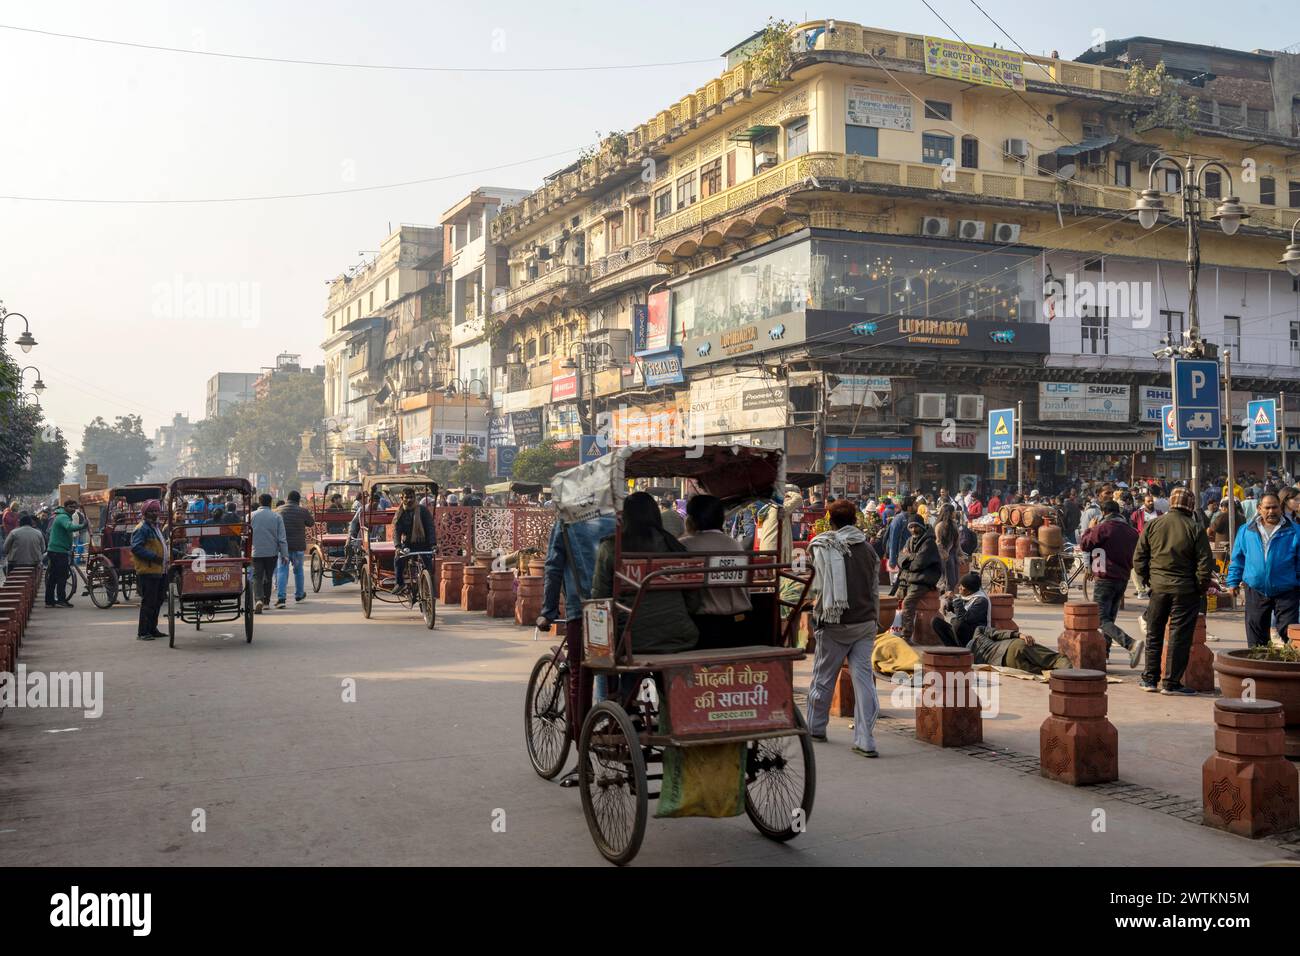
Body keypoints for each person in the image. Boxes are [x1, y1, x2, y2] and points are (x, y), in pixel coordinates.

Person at [537, 506, 616, 787]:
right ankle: (615, 722)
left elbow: (554, 565)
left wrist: (547, 611)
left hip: (583, 610)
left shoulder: (566, 522)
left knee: (580, 679)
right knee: (612, 669)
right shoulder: (616, 517)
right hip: (620, 608)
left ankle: (583, 762)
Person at [805, 499, 880, 758]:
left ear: (831, 521)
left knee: (823, 678)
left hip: (834, 624)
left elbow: (815, 588)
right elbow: (874, 590)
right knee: (864, 682)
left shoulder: (823, 547)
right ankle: (866, 740)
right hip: (865, 624)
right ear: (855, 520)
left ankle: (815, 728)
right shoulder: (869, 550)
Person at [591, 492, 699, 655]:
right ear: (656, 515)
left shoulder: (611, 547)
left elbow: (600, 598)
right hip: (679, 635)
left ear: (624, 516)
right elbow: (693, 599)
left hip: (630, 639)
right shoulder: (673, 545)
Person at [1133, 487, 1214, 695]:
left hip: (1158, 589)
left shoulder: (1153, 525)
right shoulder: (1195, 528)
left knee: (1154, 633)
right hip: (1185, 591)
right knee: (1179, 637)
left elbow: (1139, 558)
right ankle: (1171, 683)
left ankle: (1149, 679)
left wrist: (1148, 581)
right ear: (1190, 506)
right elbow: (1205, 563)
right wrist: (1199, 587)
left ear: (1171, 503)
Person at [1224, 491, 1300, 648]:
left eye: (1275, 507)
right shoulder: (1246, 531)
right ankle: (1259, 668)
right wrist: (1232, 582)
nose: (1271, 511)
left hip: (1286, 590)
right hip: (1255, 589)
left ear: (1281, 508)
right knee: (1256, 638)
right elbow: (1238, 559)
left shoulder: (1294, 531)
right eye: (1267, 508)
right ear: (1259, 508)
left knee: (1290, 633)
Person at [680, 494, 752, 649]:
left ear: (691, 519)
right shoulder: (735, 545)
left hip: (704, 625)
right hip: (740, 623)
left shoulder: (686, 545)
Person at [1078, 500, 1143, 667]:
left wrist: (1090, 528)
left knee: (1100, 619)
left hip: (1105, 578)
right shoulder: (1132, 532)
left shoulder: (1103, 528)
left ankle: (1130, 644)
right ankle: (1105, 654)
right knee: (1109, 620)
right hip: (1122, 579)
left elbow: (1085, 544)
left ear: (1105, 513)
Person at [896, 515, 942, 643]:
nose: (913, 530)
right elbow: (900, 559)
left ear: (921, 526)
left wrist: (908, 558)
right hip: (910, 577)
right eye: (910, 527)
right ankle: (897, 631)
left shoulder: (929, 543)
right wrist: (912, 557)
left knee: (908, 602)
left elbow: (918, 564)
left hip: (923, 579)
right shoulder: (910, 540)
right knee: (896, 598)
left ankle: (906, 635)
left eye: (915, 526)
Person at [130, 500, 168, 641]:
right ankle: (143, 632)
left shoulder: (156, 527)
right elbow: (136, 548)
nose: (155, 513)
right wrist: (154, 557)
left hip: (160, 570)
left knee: (157, 601)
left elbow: (162, 545)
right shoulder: (142, 528)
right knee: (148, 603)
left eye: (156, 511)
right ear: (145, 513)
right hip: (148, 570)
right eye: (152, 511)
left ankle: (153, 628)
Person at [275, 490, 315, 607]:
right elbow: (311, 523)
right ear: (298, 500)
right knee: (298, 571)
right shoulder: (302, 511)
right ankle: (299, 594)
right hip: (298, 547)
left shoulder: (278, 511)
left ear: (287, 498)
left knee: (282, 571)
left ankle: (281, 598)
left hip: (283, 549)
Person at [249, 493, 288, 613]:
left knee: (257, 576)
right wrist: (284, 554)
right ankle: (266, 602)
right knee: (268, 576)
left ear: (260, 502)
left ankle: (258, 599)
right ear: (270, 503)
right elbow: (282, 538)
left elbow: (245, 535)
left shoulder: (250, 516)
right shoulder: (276, 517)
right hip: (271, 552)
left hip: (255, 551)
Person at [393, 487, 435, 594]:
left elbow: (430, 527)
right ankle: (400, 583)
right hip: (408, 544)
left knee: (429, 566)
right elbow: (396, 531)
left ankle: (429, 588)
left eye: (411, 497)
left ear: (415, 497)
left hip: (424, 543)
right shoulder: (400, 513)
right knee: (398, 559)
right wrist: (397, 546)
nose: (409, 500)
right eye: (406, 497)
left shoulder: (422, 510)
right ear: (402, 498)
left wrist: (433, 544)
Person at [44, 499, 85, 608]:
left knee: (53, 576)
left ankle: (49, 601)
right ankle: (61, 600)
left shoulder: (63, 516)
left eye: (74, 507)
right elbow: (69, 527)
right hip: (58, 551)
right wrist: (82, 526)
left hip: (57, 550)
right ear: (65, 507)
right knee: (61, 576)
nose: (73, 509)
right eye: (71, 507)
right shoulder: (63, 517)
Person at [932, 572, 989, 646]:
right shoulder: (968, 596)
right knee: (936, 622)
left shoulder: (981, 601)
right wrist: (947, 604)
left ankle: (961, 649)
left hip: (972, 634)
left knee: (958, 623)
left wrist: (955, 599)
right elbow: (960, 609)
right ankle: (952, 647)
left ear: (969, 591)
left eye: (962, 587)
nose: (959, 588)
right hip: (962, 631)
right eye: (960, 585)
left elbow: (964, 617)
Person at [932, 503, 960, 594]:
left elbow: (957, 542)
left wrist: (960, 554)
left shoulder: (954, 524)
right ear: (950, 513)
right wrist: (944, 553)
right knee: (944, 579)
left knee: (953, 579)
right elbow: (938, 542)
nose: (955, 513)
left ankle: (948, 596)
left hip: (951, 553)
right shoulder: (939, 526)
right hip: (941, 554)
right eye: (954, 512)